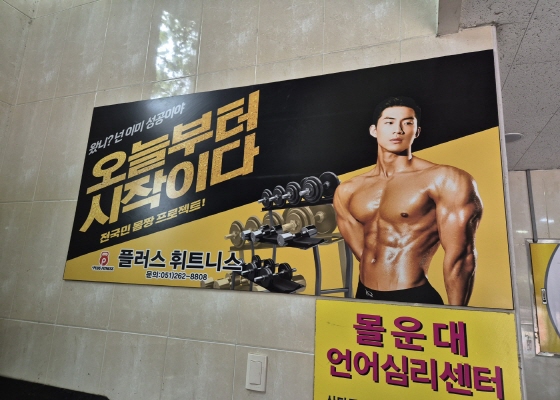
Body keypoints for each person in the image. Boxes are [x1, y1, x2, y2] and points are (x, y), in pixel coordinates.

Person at [333, 96, 483, 306]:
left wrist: (456, 315)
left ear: (417, 131)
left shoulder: (445, 180)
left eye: (407, 123)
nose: (398, 130)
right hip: (364, 295)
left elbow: (461, 257)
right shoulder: (348, 190)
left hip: (413, 297)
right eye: (389, 122)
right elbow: (363, 252)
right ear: (374, 130)